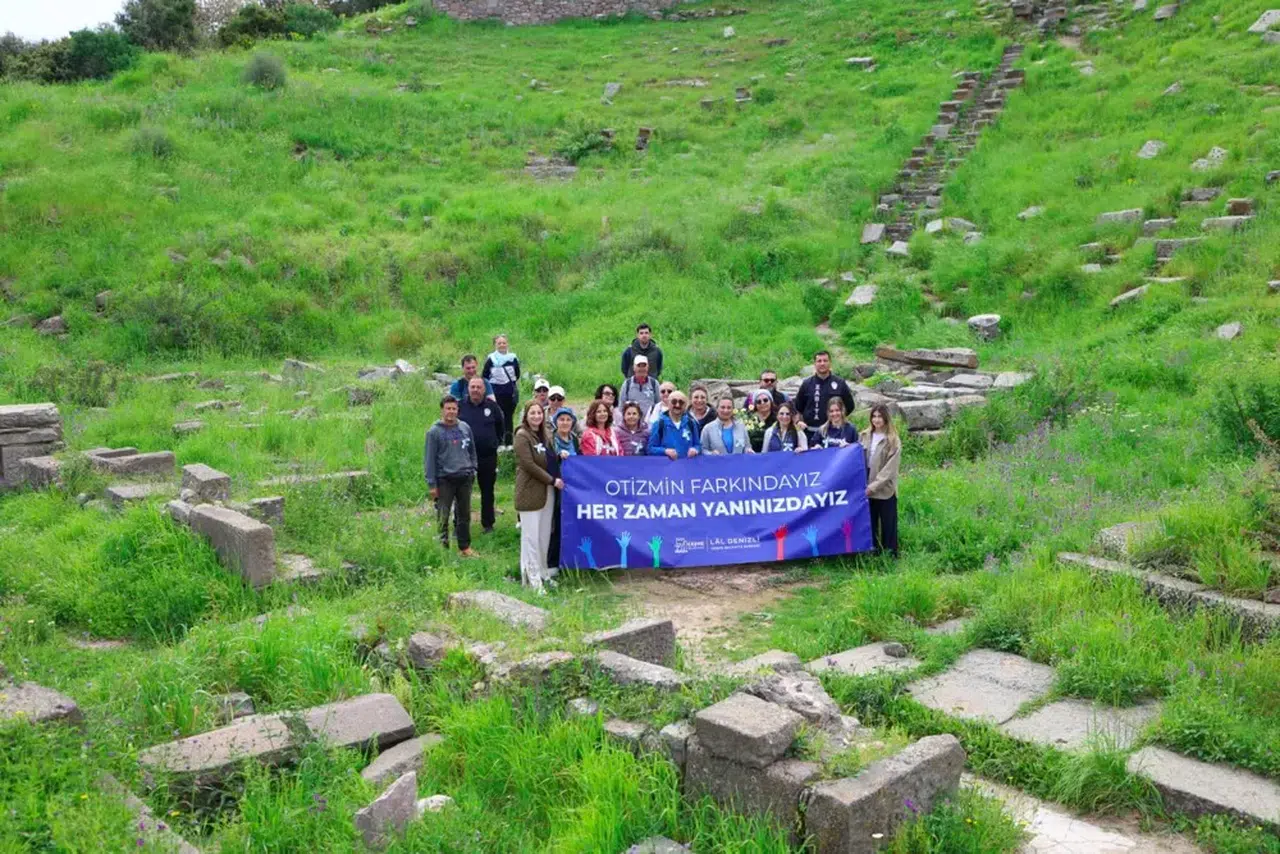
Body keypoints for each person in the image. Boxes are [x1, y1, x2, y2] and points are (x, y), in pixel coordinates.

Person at [514, 401, 562, 592]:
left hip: (547, 491)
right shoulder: (522, 436)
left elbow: (549, 459)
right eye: (532, 413)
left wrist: (561, 456)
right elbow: (528, 465)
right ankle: (532, 580)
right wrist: (552, 480)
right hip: (530, 490)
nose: (536, 416)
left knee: (543, 535)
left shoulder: (544, 435)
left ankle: (543, 573)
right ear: (526, 416)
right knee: (531, 538)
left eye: (538, 413)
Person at [424, 395, 478, 557]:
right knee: (443, 515)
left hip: (464, 477)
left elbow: (472, 451)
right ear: (442, 410)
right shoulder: (434, 432)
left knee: (464, 514)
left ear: (457, 410)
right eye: (448, 408)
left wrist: (473, 468)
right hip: (444, 479)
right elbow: (429, 459)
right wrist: (432, 484)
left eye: (454, 408)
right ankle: (443, 548)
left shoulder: (465, 428)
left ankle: (464, 547)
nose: (451, 412)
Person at [458, 377, 504, 535]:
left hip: (487, 456)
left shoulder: (492, 407)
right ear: (468, 389)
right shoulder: (460, 407)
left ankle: (488, 524)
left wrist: (493, 444)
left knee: (487, 490)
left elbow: (500, 428)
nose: (475, 390)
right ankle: (460, 525)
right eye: (472, 387)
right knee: (462, 492)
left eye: (479, 387)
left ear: (484, 389)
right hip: (464, 457)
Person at [860, 404, 901, 557]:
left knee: (888, 524)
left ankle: (890, 556)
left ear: (886, 418)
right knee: (870, 523)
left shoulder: (893, 440)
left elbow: (890, 469)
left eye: (880, 417)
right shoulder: (864, 435)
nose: (876, 420)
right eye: (874, 416)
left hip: (884, 488)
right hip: (866, 483)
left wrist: (874, 486)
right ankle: (873, 554)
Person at [795, 351, 856, 442]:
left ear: (830, 363)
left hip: (834, 433)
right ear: (814, 364)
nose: (822, 363)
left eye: (825, 360)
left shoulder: (840, 383)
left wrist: (837, 419)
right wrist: (799, 421)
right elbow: (798, 407)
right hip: (809, 432)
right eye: (819, 361)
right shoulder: (807, 384)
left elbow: (850, 406)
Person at [547, 407, 579, 568]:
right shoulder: (551, 440)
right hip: (555, 486)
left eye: (568, 419)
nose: (565, 423)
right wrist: (559, 457)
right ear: (556, 422)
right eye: (561, 419)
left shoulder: (574, 439)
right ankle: (552, 562)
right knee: (556, 523)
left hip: (572, 488)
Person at [482, 335, 520, 448]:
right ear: (495, 345)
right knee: (496, 417)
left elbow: (517, 374)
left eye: (504, 343)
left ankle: (509, 443)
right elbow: (485, 376)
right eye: (499, 343)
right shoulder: (491, 360)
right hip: (495, 394)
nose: (502, 345)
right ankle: (498, 443)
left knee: (508, 418)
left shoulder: (513, 359)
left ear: (507, 344)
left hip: (509, 394)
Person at [648, 391, 701, 459]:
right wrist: (665, 451)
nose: (677, 405)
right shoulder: (659, 424)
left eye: (681, 402)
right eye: (674, 402)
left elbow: (697, 445)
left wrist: (695, 450)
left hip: (687, 466)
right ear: (668, 403)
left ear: (685, 405)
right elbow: (650, 449)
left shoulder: (691, 423)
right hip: (666, 467)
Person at [620, 355, 660, 419]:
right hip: (632, 422)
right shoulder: (627, 384)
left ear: (648, 367)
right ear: (634, 368)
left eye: (644, 365)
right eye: (639, 366)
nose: (641, 368)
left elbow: (659, 404)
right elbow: (621, 406)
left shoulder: (654, 383)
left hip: (650, 422)